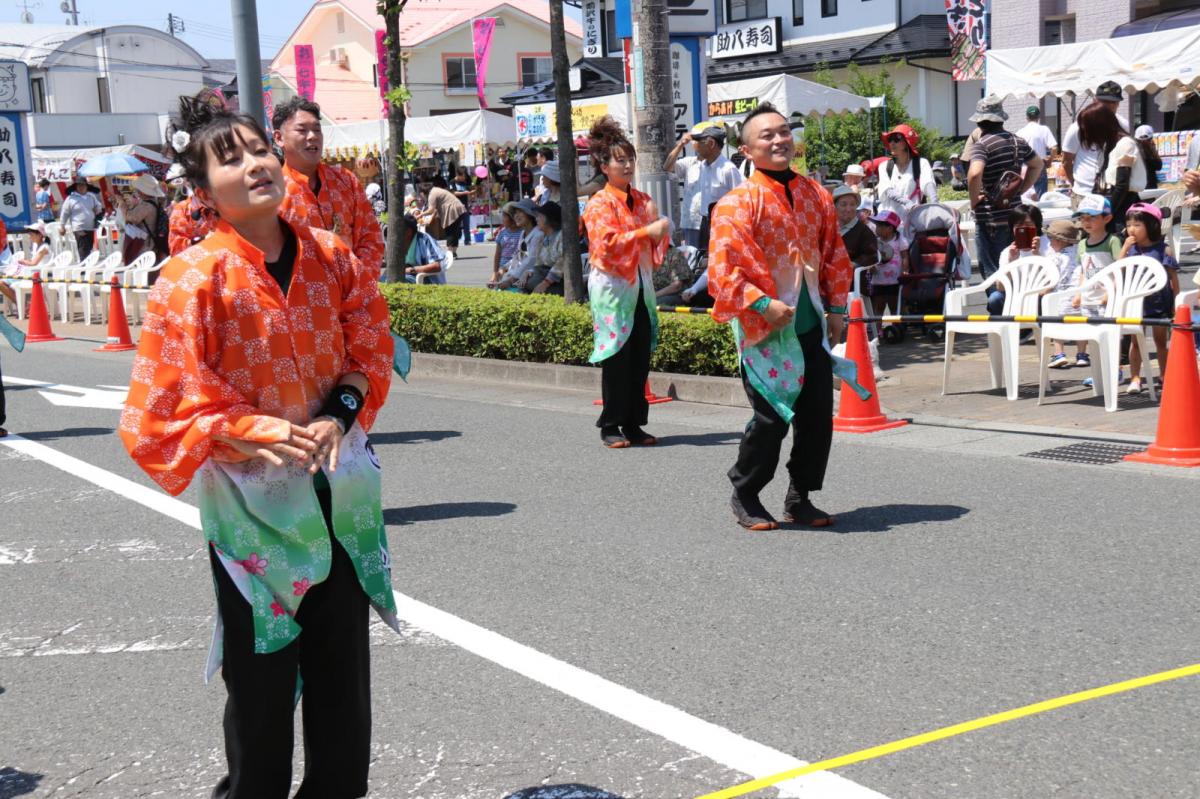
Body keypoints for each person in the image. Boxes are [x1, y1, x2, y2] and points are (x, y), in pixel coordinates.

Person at [121, 92, 396, 799]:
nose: (255, 165)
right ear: (202, 189)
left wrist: (339, 411)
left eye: (258, 150)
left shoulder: (331, 256)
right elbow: (163, 402)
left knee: (342, 674)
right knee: (262, 681)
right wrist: (251, 428)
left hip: (342, 489)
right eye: (230, 158)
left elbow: (369, 341)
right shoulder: (190, 278)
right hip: (253, 509)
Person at [707, 103, 865, 531]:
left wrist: (835, 308)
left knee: (817, 416)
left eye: (783, 132)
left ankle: (801, 496)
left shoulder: (816, 194)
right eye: (767, 135)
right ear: (746, 149)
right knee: (770, 419)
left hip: (809, 321)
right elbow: (723, 269)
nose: (779, 140)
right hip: (765, 330)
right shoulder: (736, 203)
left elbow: (834, 253)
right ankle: (746, 491)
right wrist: (761, 303)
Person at [581, 116, 670, 449]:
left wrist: (659, 228)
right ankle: (610, 423)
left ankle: (633, 423)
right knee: (616, 357)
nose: (628, 165)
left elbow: (656, 241)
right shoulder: (598, 204)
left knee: (639, 356)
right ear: (604, 166)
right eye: (620, 160)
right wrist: (648, 232)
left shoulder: (643, 200)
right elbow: (605, 246)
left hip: (641, 286)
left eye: (630, 159)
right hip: (613, 290)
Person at [272, 97, 385, 278]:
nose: (313, 136)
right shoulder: (273, 192)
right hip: (301, 299)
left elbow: (371, 237)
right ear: (279, 138)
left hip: (354, 295)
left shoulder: (346, 181)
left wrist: (356, 283)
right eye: (302, 130)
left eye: (317, 129)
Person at [967, 95, 1043, 284]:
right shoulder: (1018, 141)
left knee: (993, 272)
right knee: (1015, 269)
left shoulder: (982, 145)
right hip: (1015, 215)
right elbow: (1037, 164)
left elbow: (975, 174)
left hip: (990, 217)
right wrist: (1021, 189)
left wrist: (974, 200)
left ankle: (997, 308)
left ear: (980, 122)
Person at [1121, 203, 1178, 395]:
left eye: (1137, 225)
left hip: (1160, 302)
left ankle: (1164, 375)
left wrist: (1176, 303)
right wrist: (1125, 248)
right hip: (1136, 304)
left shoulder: (1164, 250)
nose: (1132, 229)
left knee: (1160, 341)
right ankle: (1135, 377)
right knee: (1135, 342)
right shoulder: (1131, 249)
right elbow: (1117, 269)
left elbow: (1173, 278)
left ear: (1152, 225)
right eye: (1129, 224)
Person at [664, 125, 743, 250]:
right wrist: (680, 144)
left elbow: (741, 202)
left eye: (698, 142)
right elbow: (667, 166)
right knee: (695, 262)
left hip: (721, 225)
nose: (694, 146)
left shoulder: (728, 169)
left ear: (711, 143)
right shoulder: (700, 165)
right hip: (696, 223)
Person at [1070, 194, 1121, 379]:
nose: (1086, 222)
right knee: (1093, 337)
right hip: (1088, 300)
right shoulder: (1082, 244)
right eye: (1083, 218)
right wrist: (1078, 294)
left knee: (1109, 335)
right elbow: (1083, 271)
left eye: (1092, 217)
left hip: (1107, 299)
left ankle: (1115, 370)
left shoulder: (1112, 241)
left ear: (1106, 218)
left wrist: (1111, 290)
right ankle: (1099, 372)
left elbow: (1118, 268)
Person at [1074, 103, 1143, 234]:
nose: (1086, 134)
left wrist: (1105, 213)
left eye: (1088, 129)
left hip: (1120, 212)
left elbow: (1122, 185)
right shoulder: (1109, 144)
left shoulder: (1125, 144)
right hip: (1108, 207)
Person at [1061, 81, 1130, 208]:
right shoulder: (1078, 126)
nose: (1109, 106)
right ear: (1095, 101)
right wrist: (1076, 183)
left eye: (1113, 102)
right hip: (1084, 193)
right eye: (1105, 102)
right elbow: (1066, 160)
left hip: (1114, 191)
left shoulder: (1123, 124)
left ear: (1119, 103)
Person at [1037, 219, 1085, 369]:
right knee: (1080, 327)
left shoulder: (1056, 258)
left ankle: (1059, 354)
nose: (1049, 243)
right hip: (1078, 296)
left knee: (1056, 326)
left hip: (1060, 298)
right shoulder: (1079, 253)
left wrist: (1042, 292)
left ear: (1059, 240)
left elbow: (1053, 279)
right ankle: (1082, 355)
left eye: (1051, 239)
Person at [875, 123, 937, 235]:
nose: (892, 143)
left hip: (914, 225)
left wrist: (936, 205)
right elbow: (887, 190)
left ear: (906, 143)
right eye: (890, 140)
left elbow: (928, 184)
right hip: (889, 228)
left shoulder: (921, 163)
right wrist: (907, 203)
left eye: (896, 139)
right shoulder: (884, 166)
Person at [989, 203, 1048, 315]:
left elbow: (1053, 281)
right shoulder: (1008, 252)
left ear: (1037, 225)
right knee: (995, 298)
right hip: (1016, 295)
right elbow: (1000, 287)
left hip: (1040, 295)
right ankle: (1004, 330)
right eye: (1018, 225)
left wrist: (1037, 255)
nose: (1023, 229)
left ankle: (1037, 328)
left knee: (1044, 298)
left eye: (1028, 224)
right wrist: (1011, 262)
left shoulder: (1048, 245)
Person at [492, 198, 542, 291]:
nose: (516, 216)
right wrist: (504, 268)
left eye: (520, 212)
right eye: (515, 213)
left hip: (529, 276)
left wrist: (511, 280)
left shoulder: (538, 234)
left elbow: (530, 260)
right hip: (516, 275)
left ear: (529, 215)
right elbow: (517, 256)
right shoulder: (523, 233)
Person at [867, 210, 908, 317]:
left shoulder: (899, 240)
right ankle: (878, 330)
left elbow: (904, 256)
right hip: (878, 280)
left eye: (879, 226)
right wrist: (871, 266)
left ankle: (895, 328)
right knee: (878, 306)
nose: (877, 229)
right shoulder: (875, 242)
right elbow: (871, 257)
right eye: (876, 226)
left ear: (890, 228)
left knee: (894, 305)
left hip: (894, 280)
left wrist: (905, 270)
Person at [417, 176, 468, 261]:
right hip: (458, 208)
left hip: (452, 210)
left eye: (420, 193)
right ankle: (453, 253)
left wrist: (420, 215)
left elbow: (431, 210)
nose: (420, 196)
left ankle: (450, 253)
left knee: (450, 231)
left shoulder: (432, 194)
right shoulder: (436, 190)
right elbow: (435, 209)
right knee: (454, 231)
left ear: (423, 192)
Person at [120, 174, 166, 263]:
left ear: (143, 191)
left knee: (142, 267)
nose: (137, 191)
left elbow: (131, 217)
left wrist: (122, 204)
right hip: (147, 239)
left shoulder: (147, 205)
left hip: (144, 242)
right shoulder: (151, 202)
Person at [832, 184, 878, 270]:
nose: (848, 209)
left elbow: (872, 256)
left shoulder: (864, 231)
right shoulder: (828, 227)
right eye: (843, 205)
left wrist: (851, 265)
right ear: (834, 206)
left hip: (852, 279)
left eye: (852, 204)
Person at [58, 175, 104, 259]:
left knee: (89, 248)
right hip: (78, 227)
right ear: (76, 187)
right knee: (83, 248)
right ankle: (83, 269)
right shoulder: (70, 198)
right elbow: (64, 213)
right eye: (79, 185)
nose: (81, 187)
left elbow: (99, 206)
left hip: (90, 227)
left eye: (83, 185)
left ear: (86, 186)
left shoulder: (91, 197)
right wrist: (62, 226)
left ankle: (87, 267)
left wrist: (97, 210)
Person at [652, 227, 700, 307]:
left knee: (653, 304)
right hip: (655, 295)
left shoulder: (675, 254)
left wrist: (653, 296)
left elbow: (676, 286)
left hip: (677, 295)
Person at [1016, 106, 1058, 197]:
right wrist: (1050, 161)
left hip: (1024, 166)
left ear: (1026, 117)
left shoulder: (1019, 132)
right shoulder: (1044, 129)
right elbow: (1054, 148)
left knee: (1025, 197)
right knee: (1041, 197)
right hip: (1039, 165)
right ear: (1038, 117)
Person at [529, 202, 565, 295]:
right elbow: (539, 262)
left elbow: (563, 260)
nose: (536, 219)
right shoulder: (543, 237)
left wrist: (546, 282)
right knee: (524, 283)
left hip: (559, 281)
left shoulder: (562, 235)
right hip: (544, 276)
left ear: (548, 218)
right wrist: (530, 272)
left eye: (539, 216)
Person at [401, 214, 449, 284]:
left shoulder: (425, 239)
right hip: (406, 275)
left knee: (398, 282)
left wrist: (412, 270)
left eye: (399, 229)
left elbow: (437, 266)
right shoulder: (399, 242)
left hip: (426, 279)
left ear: (409, 231)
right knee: (381, 280)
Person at [491, 208, 522, 284]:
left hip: (517, 267)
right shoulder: (502, 232)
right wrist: (495, 272)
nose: (502, 219)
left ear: (512, 218)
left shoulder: (523, 232)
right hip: (502, 268)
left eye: (504, 216)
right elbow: (497, 254)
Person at [1134, 125, 1162, 190]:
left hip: (1138, 187)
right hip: (1149, 187)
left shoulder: (1134, 150)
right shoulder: (1149, 152)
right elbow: (1159, 166)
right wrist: (1153, 150)